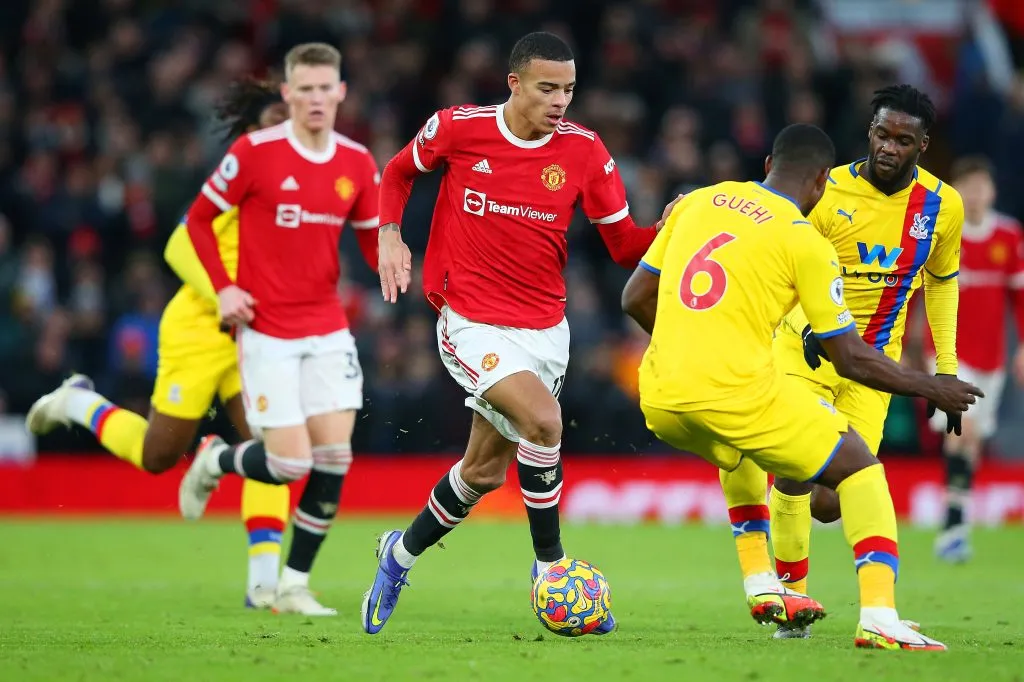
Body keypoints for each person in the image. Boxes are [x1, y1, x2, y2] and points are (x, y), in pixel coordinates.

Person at [622, 123, 981, 650]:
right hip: (735, 392)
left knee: (741, 451)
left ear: (767, 163)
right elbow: (852, 357)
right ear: (820, 184)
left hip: (659, 396)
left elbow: (634, 297)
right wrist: (931, 386)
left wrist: (687, 346)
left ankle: (762, 582)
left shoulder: (700, 200)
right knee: (857, 466)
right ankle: (880, 615)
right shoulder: (803, 239)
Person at [363, 31, 675, 635]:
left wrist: (671, 225)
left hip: (544, 331)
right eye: (547, 88)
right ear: (515, 83)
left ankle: (397, 555)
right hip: (471, 319)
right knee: (545, 423)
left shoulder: (584, 152)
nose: (561, 101)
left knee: (481, 473)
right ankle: (551, 569)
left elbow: (622, 246)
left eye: (569, 90)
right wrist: (388, 233)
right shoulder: (459, 128)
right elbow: (398, 172)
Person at [25, 78, 293, 609]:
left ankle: (263, 583)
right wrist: (223, 294)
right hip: (198, 330)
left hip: (253, 339)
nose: (284, 134)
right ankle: (80, 401)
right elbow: (177, 242)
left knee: (275, 449)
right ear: (246, 134)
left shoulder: (299, 187)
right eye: (271, 125)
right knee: (157, 456)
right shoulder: (235, 180)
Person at [720, 85, 965, 638]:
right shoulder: (826, 192)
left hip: (874, 367)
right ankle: (793, 602)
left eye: (903, 139)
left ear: (922, 145)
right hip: (803, 351)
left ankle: (818, 593)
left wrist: (944, 368)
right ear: (869, 132)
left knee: (832, 500)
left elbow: (942, 283)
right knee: (792, 469)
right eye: (881, 134)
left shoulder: (943, 207)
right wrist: (809, 325)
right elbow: (782, 257)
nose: (888, 147)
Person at [176, 43, 380, 617]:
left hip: (327, 326)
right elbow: (198, 219)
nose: (316, 99)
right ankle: (215, 459)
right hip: (267, 329)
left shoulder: (357, 161)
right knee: (290, 464)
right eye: (305, 89)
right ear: (287, 94)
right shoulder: (255, 152)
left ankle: (293, 586)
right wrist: (224, 288)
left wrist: (392, 254)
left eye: (326, 88)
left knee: (335, 457)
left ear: (341, 92)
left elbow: (369, 236)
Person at [922, 156, 1024, 562]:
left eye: (982, 186)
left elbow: (1019, 299)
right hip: (948, 353)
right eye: (968, 187)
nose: (976, 194)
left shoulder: (1009, 236)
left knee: (974, 438)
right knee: (959, 432)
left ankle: (957, 520)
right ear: (957, 191)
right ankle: (952, 524)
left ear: (992, 191)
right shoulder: (943, 233)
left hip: (992, 357)